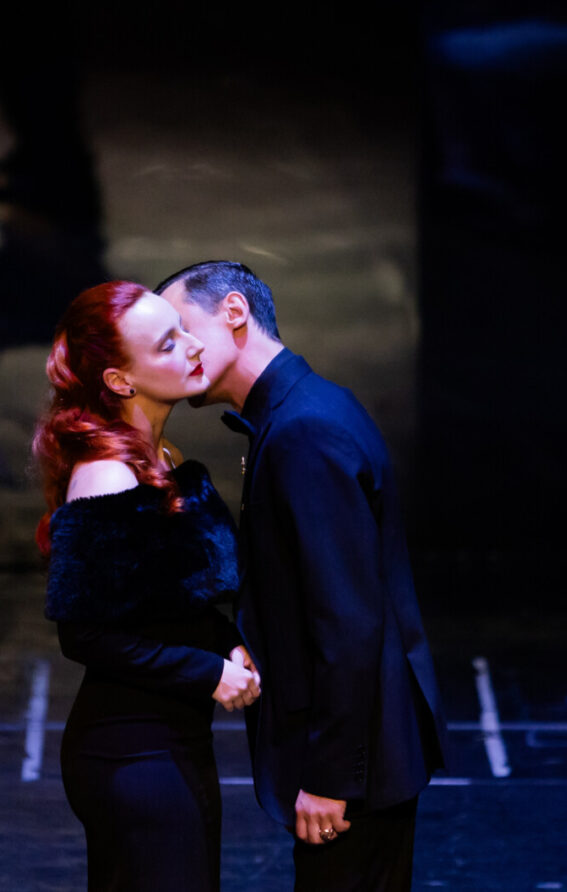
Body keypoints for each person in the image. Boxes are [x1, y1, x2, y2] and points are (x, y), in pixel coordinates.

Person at [155, 261, 448, 891]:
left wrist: (332, 778)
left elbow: (348, 623)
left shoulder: (303, 430)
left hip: (355, 770)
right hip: (366, 754)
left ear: (234, 312)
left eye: (180, 328)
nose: (177, 351)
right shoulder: (304, 409)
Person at [31, 280, 260, 891]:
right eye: (167, 344)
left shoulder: (160, 456)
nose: (193, 346)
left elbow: (169, 598)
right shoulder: (107, 475)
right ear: (120, 381)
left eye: (183, 330)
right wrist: (208, 672)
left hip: (172, 741)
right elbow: (85, 636)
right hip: (130, 751)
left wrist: (226, 641)